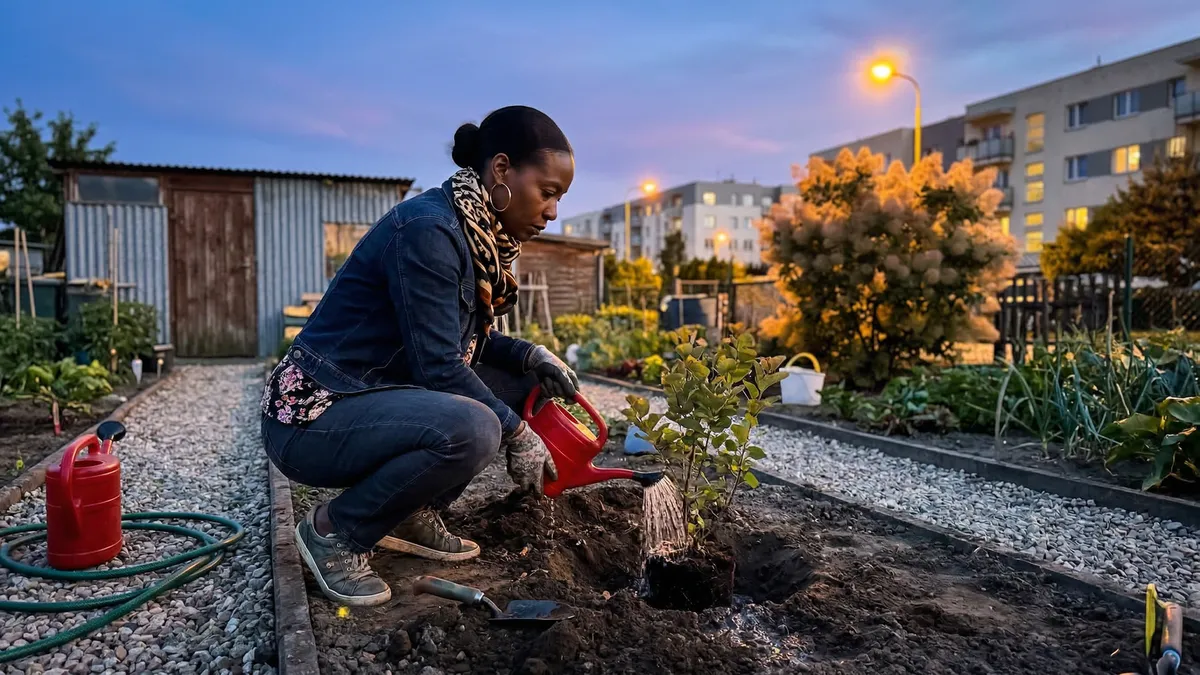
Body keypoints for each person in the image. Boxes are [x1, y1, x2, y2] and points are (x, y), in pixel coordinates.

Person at [259, 105, 580, 607]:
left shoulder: (477, 236)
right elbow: (439, 366)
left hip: (371, 393)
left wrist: (531, 355)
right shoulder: (429, 230)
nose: (553, 211)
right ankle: (334, 531)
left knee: (522, 383)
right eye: (548, 191)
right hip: (313, 416)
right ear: (501, 170)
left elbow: (461, 341)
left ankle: (408, 512)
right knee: (475, 426)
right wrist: (517, 432)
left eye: (559, 198)